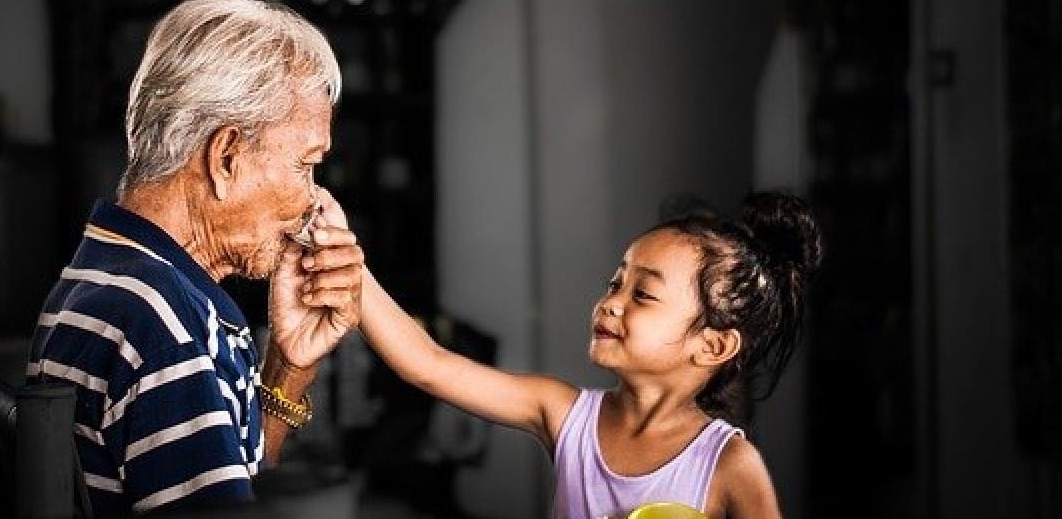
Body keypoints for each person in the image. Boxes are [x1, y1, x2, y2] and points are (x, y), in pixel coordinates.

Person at [26, 0, 365, 514]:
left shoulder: (100, 271)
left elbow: (235, 488)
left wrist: (289, 365)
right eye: (305, 165)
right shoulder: (167, 331)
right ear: (226, 156)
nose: (312, 201)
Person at [308, 190, 822, 519]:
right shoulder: (565, 414)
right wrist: (350, 269)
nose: (610, 303)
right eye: (615, 282)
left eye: (642, 295)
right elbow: (431, 365)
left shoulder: (729, 465)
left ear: (712, 345)